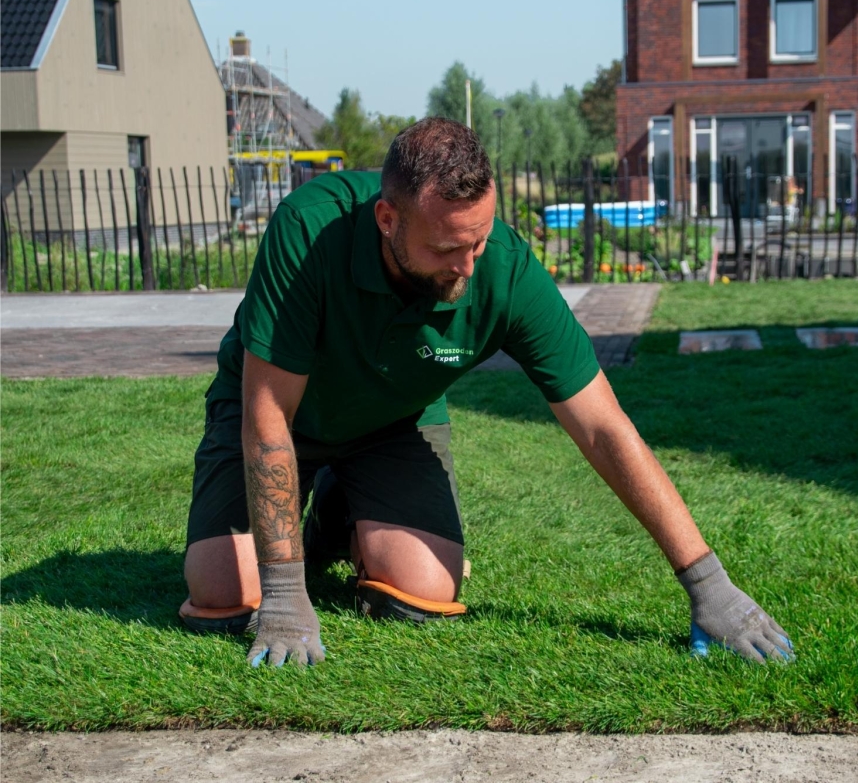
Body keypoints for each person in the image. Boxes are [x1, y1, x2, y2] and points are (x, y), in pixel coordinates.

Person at [179, 117, 791, 667]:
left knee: (424, 589)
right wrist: (285, 597)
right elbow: (267, 416)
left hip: (392, 421)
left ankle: (339, 514)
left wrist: (708, 584)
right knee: (225, 593)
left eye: (479, 240)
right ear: (387, 219)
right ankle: (297, 553)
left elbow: (604, 427)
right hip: (280, 415)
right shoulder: (308, 232)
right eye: (447, 248)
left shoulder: (503, 269)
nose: (468, 266)